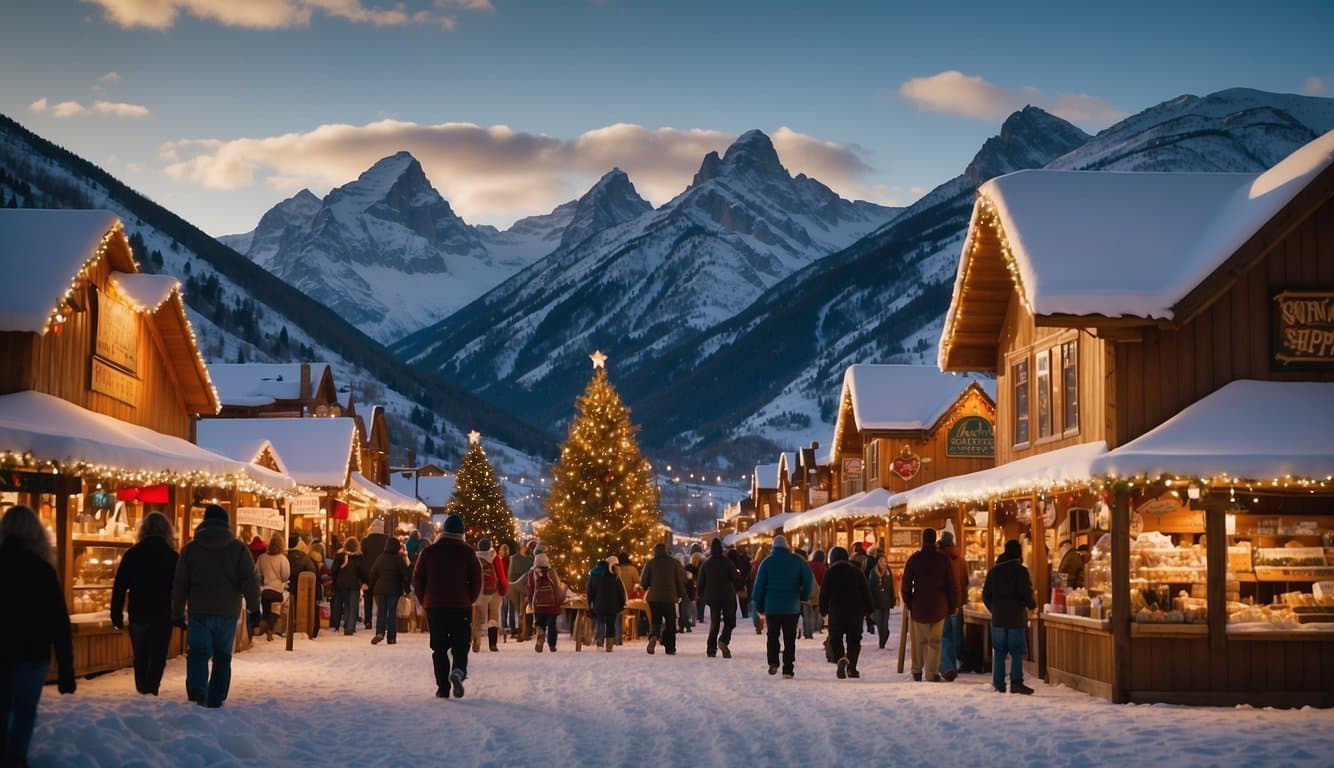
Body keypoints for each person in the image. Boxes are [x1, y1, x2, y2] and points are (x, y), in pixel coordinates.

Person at [1, 505, 74, 764]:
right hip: (33, 652)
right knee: (24, 712)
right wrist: (66, 668)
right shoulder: (42, 570)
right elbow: (58, 621)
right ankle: (16, 758)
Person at [171, 504, 262, 708]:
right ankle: (217, 696)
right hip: (227, 611)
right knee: (222, 656)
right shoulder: (238, 549)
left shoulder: (191, 549)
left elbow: (180, 583)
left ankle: (197, 691)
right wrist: (254, 608)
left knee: (198, 653)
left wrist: (176, 612)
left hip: (199, 610)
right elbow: (250, 580)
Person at [111, 511, 178, 695]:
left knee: (140, 656)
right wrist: (179, 612)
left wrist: (115, 613)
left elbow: (120, 586)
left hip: (138, 612)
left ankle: (143, 690)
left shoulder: (132, 555)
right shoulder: (172, 557)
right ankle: (151, 689)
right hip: (163, 614)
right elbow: (179, 588)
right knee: (158, 657)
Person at [414, 514, 481, 698]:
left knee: (439, 647)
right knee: (461, 644)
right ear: (461, 533)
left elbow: (418, 579)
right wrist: (470, 599)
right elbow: (477, 580)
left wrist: (424, 600)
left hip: (434, 606)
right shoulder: (468, 553)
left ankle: (443, 687)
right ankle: (458, 671)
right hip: (461, 606)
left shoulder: (429, 552)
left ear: (444, 531)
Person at [750, 535, 814, 679]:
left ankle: (773, 662)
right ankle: (788, 668)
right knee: (789, 638)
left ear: (773, 547)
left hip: (772, 607)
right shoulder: (797, 561)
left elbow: (758, 587)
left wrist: (759, 605)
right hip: (792, 607)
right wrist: (803, 596)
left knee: (772, 635)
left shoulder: (766, 562)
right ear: (787, 547)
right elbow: (809, 580)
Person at [900, 528, 956, 682]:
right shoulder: (943, 559)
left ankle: (917, 670)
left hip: (919, 606)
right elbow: (951, 584)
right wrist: (952, 605)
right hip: (939, 606)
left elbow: (905, 584)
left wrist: (909, 602)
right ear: (934, 540)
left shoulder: (914, 559)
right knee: (935, 642)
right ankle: (931, 673)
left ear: (923, 540)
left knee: (919, 641)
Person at [984, 539, 1037, 695]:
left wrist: (994, 609)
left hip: (998, 618)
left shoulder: (994, 571)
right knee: (1016, 650)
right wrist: (1032, 605)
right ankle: (1016, 682)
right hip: (1016, 618)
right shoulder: (1021, 571)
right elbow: (1026, 592)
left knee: (999, 651)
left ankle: (998, 682)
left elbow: (985, 595)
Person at [819, 546, 873, 680]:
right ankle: (852, 668)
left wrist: (823, 609)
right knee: (854, 640)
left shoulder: (830, 573)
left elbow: (824, 593)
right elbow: (866, 592)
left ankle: (841, 658)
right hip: (855, 612)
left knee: (835, 638)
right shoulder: (857, 572)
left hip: (836, 612)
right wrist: (870, 609)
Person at [697, 538, 743, 658]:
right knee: (730, 621)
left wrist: (700, 595)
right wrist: (737, 588)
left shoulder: (706, 563)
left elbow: (700, 581)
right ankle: (723, 640)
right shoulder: (728, 562)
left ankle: (711, 649)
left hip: (712, 597)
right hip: (727, 596)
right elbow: (737, 578)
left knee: (714, 623)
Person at [640, 542, 687, 655]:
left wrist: (647, 587)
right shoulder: (674, 563)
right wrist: (681, 594)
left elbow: (644, 582)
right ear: (667, 551)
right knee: (670, 622)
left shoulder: (650, 563)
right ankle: (670, 647)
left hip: (654, 598)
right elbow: (680, 581)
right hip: (669, 597)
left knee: (656, 620)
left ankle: (654, 636)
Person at [368, 537, 411, 645]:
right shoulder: (398, 559)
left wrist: (370, 587)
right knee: (391, 613)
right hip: (394, 590)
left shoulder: (380, 558)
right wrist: (407, 590)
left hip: (380, 590)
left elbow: (373, 574)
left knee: (381, 612)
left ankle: (380, 633)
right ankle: (391, 637)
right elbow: (405, 575)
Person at [937, 530, 968, 681]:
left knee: (944, 635)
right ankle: (956, 662)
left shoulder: (939, 558)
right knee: (956, 635)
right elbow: (964, 582)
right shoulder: (960, 560)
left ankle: (946, 666)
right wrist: (961, 601)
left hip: (942, 602)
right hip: (957, 602)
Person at [471, 539, 509, 652]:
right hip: (494, 591)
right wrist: (503, 589)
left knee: (478, 617)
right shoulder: (495, 557)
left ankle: (476, 641)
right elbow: (501, 576)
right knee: (493, 617)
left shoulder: (475, 557)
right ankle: (493, 644)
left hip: (480, 591)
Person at [526, 551, 566, 653]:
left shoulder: (532, 573)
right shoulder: (551, 572)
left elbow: (530, 589)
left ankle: (540, 635)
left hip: (538, 604)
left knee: (540, 623)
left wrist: (530, 602)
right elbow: (557, 587)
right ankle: (552, 645)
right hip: (551, 605)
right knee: (552, 625)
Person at [254, 533, 290, 641]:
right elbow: (285, 575)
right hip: (276, 591)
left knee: (265, 611)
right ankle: (270, 629)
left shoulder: (262, 557)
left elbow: (257, 572)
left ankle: (262, 628)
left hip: (265, 590)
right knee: (275, 611)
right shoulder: (283, 559)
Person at [586, 555, 626, 652]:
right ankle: (609, 645)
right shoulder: (616, 577)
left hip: (599, 604)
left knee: (600, 622)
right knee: (611, 624)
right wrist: (622, 603)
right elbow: (621, 592)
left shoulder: (597, 575)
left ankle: (599, 641)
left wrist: (591, 603)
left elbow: (591, 590)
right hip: (613, 606)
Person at [330, 537, 366, 635]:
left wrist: (335, 580)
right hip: (354, 585)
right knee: (353, 606)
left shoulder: (339, 555)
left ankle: (344, 624)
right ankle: (350, 627)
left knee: (346, 605)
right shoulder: (359, 557)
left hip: (341, 584)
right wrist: (364, 581)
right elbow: (363, 571)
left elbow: (333, 570)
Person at [286, 535, 319, 639]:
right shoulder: (304, 558)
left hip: (288, 587)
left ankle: (291, 627)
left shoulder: (284, 556)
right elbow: (312, 572)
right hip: (303, 589)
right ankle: (308, 629)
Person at [360, 519, 389, 630]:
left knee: (368, 598)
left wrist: (362, 576)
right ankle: (382, 621)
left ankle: (368, 621)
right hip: (383, 574)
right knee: (382, 598)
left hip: (368, 573)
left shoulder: (365, 541)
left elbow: (362, 558)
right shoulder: (387, 540)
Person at [506, 540, 535, 640]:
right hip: (521, 587)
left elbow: (510, 574)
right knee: (522, 610)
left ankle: (520, 632)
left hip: (519, 587)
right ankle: (523, 632)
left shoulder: (516, 559)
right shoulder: (526, 560)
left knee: (520, 610)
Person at [867, 554, 897, 650]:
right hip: (876, 602)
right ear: (877, 563)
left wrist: (893, 599)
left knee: (885, 623)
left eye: (885, 561)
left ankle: (882, 642)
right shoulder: (873, 572)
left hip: (886, 602)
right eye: (881, 561)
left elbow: (892, 587)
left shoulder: (889, 572)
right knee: (879, 623)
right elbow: (870, 588)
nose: (883, 564)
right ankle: (882, 639)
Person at [802, 549, 825, 640]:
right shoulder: (823, 567)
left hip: (808, 590)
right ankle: (816, 627)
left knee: (807, 612)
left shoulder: (808, 565)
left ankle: (808, 631)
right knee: (817, 610)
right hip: (819, 591)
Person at [727, 544, 751, 619]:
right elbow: (748, 567)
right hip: (741, 583)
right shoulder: (742, 559)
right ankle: (745, 614)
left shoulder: (728, 562)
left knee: (732, 600)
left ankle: (733, 614)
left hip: (731, 585)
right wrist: (745, 578)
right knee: (743, 600)